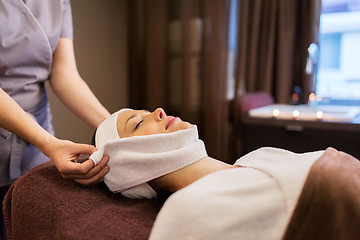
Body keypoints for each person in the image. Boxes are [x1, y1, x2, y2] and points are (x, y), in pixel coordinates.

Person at [92, 107, 360, 240]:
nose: (159, 111)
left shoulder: (261, 155)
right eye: (139, 122)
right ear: (129, 162)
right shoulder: (185, 209)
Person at [1, 1, 110, 238]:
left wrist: (114, 126)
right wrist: (49, 144)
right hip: (40, 139)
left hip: (34, 146)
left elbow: (65, 75)